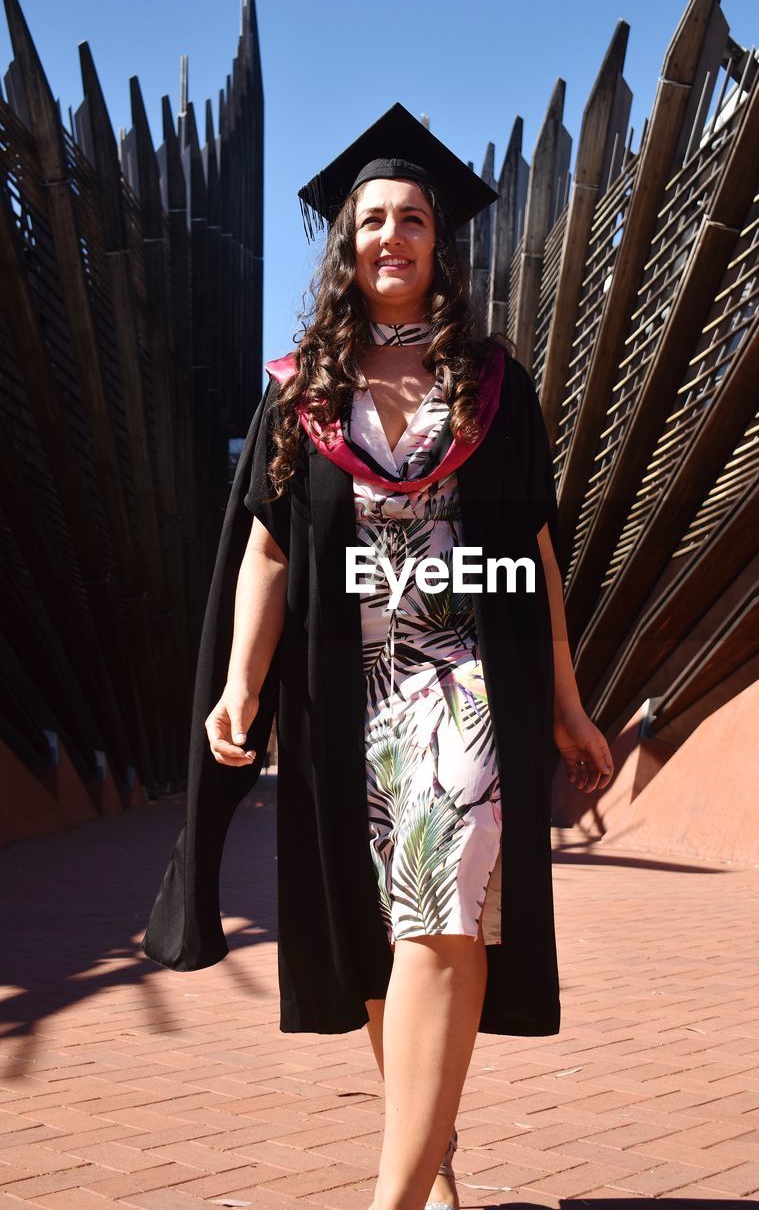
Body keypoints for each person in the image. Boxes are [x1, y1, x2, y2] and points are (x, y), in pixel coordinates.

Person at [141, 102, 612, 1210]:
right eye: (369, 221)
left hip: (460, 682)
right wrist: (240, 685)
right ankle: (430, 1156)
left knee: (443, 908)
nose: (389, 236)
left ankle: (389, 1199)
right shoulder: (300, 387)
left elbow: (535, 548)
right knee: (376, 936)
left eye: (410, 218)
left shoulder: (494, 382)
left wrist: (568, 698)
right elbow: (263, 550)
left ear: (438, 242)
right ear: (345, 247)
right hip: (340, 698)